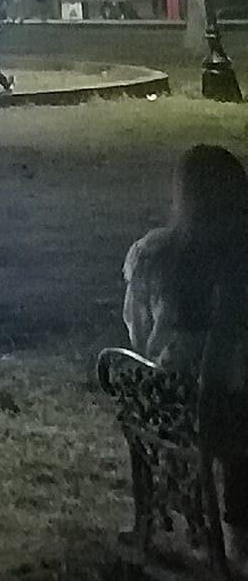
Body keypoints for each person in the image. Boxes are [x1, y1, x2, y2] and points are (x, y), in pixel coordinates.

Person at [124, 145, 248, 568]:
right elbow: (223, 359)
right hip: (208, 412)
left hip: (156, 408)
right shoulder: (236, 263)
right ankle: (239, 534)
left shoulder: (152, 253)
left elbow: (135, 331)